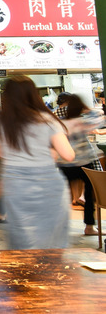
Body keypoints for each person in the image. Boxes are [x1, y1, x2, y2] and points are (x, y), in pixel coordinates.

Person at [0, 76, 74, 249]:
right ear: (33, 94)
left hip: (14, 183)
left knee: (22, 239)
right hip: (48, 182)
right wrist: (49, 152)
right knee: (51, 239)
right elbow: (68, 155)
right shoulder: (47, 120)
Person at [57, 94, 105, 235]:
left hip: (65, 163)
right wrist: (88, 109)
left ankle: (57, 226)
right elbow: (100, 119)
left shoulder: (63, 122)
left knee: (60, 196)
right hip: (85, 163)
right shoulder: (82, 121)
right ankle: (89, 227)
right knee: (89, 196)